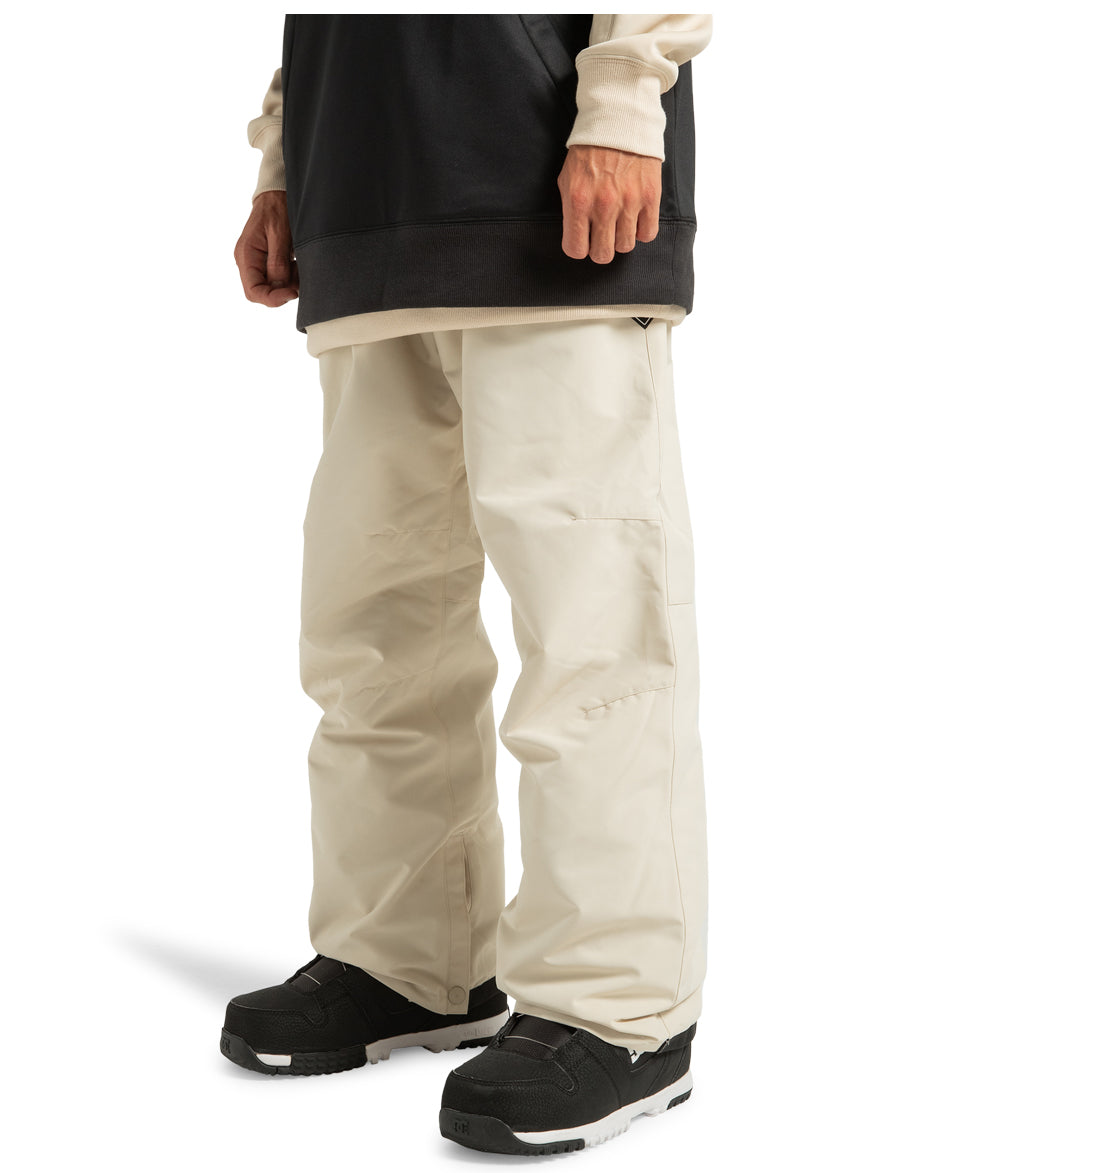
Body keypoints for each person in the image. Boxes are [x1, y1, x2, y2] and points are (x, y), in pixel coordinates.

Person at [225, 15, 713, 1156]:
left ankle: (619, 1007)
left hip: (546, 181)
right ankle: (409, 959)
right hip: (363, 204)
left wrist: (623, 100)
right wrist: (285, 159)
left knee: (590, 636)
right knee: (371, 631)